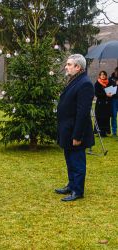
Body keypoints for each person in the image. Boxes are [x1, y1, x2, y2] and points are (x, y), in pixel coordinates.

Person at [55, 54, 95, 202]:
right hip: (67, 129)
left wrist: (77, 136)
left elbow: (83, 113)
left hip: (75, 131)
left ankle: (77, 190)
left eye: (69, 64)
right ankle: (71, 185)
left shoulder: (85, 84)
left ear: (78, 67)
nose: (66, 67)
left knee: (77, 161)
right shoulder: (74, 80)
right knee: (69, 160)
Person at [94, 71, 112, 137]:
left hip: (107, 103)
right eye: (101, 74)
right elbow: (96, 93)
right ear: (99, 76)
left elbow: (111, 90)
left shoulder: (109, 82)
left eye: (104, 74)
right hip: (100, 103)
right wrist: (105, 94)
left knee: (106, 118)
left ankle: (105, 132)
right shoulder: (97, 83)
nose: (103, 76)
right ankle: (99, 132)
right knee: (99, 117)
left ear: (106, 75)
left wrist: (110, 94)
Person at [108, 67, 118, 136]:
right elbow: (108, 90)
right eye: (116, 71)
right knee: (114, 116)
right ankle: (114, 132)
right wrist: (115, 84)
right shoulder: (111, 79)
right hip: (114, 99)